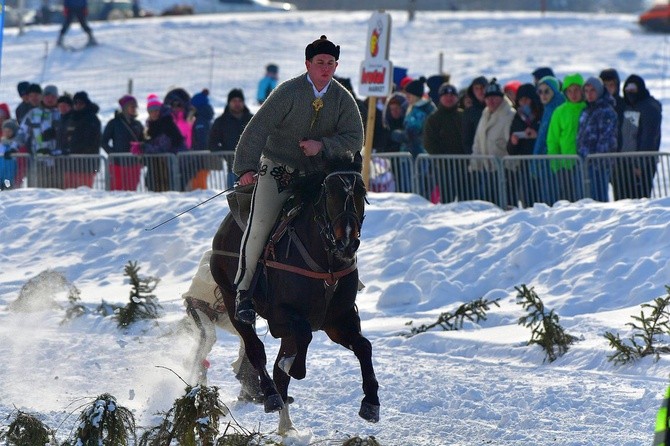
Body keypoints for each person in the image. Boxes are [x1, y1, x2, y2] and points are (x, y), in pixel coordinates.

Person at [232, 35, 364, 324]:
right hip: (279, 169)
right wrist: (245, 167)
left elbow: (356, 138)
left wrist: (323, 146)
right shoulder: (287, 92)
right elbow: (258, 128)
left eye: (331, 63)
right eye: (320, 63)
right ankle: (244, 292)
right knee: (260, 225)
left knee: (341, 218)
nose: (326, 68)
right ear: (308, 64)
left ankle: (346, 280)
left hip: (318, 173)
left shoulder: (342, 99)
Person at [468, 78, 516, 205]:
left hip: (505, 171)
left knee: (505, 204)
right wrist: (474, 163)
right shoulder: (485, 114)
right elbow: (478, 142)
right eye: (488, 98)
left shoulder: (509, 115)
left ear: (501, 98)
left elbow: (511, 144)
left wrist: (510, 166)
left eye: (495, 97)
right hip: (486, 169)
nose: (491, 101)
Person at [616, 74, 662, 199]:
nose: (630, 93)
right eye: (627, 90)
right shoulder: (625, 106)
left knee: (640, 201)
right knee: (622, 200)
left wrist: (640, 164)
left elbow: (649, 138)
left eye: (633, 89)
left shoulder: (649, 107)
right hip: (624, 162)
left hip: (642, 163)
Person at [576, 77, 618, 202]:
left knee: (599, 197)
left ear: (599, 91)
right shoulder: (586, 110)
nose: (589, 94)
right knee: (587, 198)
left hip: (599, 163)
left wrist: (597, 159)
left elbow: (606, 138)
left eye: (592, 90)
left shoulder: (606, 111)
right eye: (586, 91)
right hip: (584, 161)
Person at [547, 73, 586, 202]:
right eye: (569, 91)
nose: (573, 94)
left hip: (586, 163)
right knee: (567, 199)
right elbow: (553, 139)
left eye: (576, 90)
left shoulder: (588, 108)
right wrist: (555, 162)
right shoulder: (559, 111)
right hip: (565, 164)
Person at [423, 82, 464, 203]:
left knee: (466, 199)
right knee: (447, 199)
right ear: (440, 98)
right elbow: (429, 143)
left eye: (452, 96)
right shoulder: (433, 118)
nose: (449, 98)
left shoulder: (463, 116)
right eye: (445, 95)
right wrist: (440, 158)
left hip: (464, 165)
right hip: (443, 167)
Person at [17, 84, 61, 188]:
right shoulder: (34, 113)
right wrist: (14, 147)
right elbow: (22, 132)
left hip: (59, 159)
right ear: (43, 97)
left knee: (59, 190)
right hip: (39, 158)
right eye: (47, 96)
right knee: (41, 189)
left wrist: (56, 133)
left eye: (53, 97)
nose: (50, 99)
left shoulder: (61, 112)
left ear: (57, 98)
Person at [208, 88, 253, 188]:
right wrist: (225, 155)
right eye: (234, 101)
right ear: (229, 103)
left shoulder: (252, 119)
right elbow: (212, 143)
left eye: (240, 101)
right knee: (234, 198)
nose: (237, 103)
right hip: (232, 169)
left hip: (253, 168)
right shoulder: (221, 121)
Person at [508, 83, 542, 207]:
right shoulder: (517, 118)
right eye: (521, 100)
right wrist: (513, 142)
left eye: (527, 99)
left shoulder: (541, 115)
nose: (524, 103)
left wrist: (536, 135)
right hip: (524, 166)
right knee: (528, 200)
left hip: (540, 164)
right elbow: (510, 150)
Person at [142, 94, 185, 192]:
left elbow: (162, 147)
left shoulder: (166, 123)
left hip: (169, 166)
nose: (154, 113)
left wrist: (143, 147)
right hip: (157, 167)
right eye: (151, 111)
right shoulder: (150, 125)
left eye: (156, 110)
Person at [101, 94, 145, 191]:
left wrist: (141, 156)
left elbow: (143, 141)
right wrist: (114, 154)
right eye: (131, 106)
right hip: (117, 164)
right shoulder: (114, 123)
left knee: (131, 190)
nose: (134, 108)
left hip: (134, 163)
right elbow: (103, 142)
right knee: (116, 190)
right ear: (124, 108)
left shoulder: (138, 124)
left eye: (135, 106)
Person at [532, 76, 564, 204]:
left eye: (547, 91)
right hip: (545, 162)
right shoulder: (548, 108)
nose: (543, 95)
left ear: (555, 91)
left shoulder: (558, 108)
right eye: (540, 91)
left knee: (554, 200)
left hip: (554, 161)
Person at [62, 91, 101, 188]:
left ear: (86, 103)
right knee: (68, 191)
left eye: (81, 103)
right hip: (70, 164)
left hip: (87, 164)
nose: (78, 105)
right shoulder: (70, 117)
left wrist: (73, 149)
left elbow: (92, 141)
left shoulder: (92, 119)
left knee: (84, 192)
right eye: (75, 103)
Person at [462, 75, 487, 154]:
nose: (480, 91)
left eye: (482, 87)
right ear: (472, 91)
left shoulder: (497, 108)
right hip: (478, 157)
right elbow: (467, 139)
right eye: (476, 88)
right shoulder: (469, 112)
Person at [0, 119, 22, 190]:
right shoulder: (1, 143)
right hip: (1, 174)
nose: (7, 133)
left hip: (11, 175)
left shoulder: (16, 144)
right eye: (5, 131)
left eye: (9, 131)